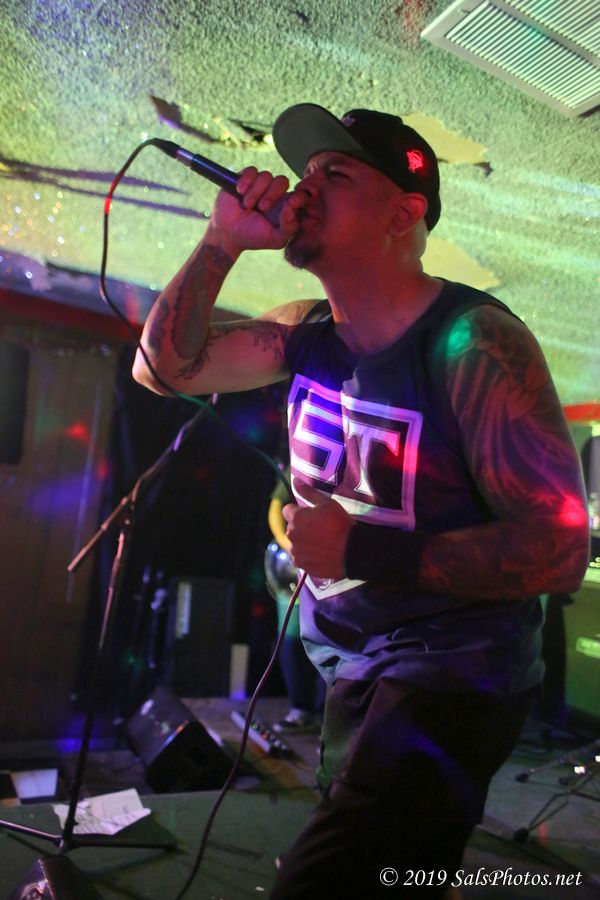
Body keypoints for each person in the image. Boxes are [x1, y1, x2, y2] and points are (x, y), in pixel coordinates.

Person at [133, 103, 590, 898]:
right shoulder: (303, 331)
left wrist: (360, 549)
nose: (305, 189)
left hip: (455, 672)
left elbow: (559, 549)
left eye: (336, 174)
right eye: (306, 174)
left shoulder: (473, 343)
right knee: (396, 873)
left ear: (403, 214)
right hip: (353, 659)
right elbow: (161, 369)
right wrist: (223, 241)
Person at [265, 465, 325, 733]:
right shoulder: (299, 460)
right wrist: (292, 547)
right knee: (290, 641)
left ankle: (326, 715)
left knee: (331, 644)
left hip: (335, 572)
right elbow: (275, 509)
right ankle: (300, 709)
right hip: (296, 571)